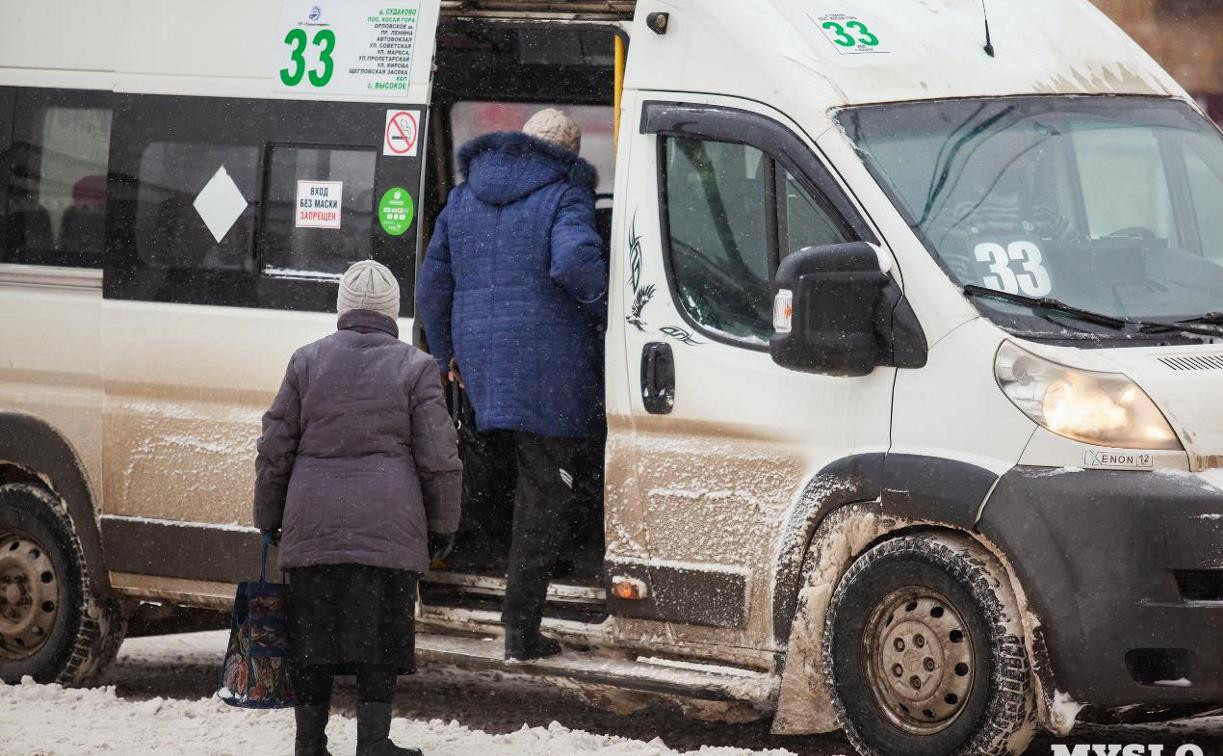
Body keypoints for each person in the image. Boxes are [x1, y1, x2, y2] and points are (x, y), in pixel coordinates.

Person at [417, 109, 607, 661]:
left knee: (491, 470)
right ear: (567, 154)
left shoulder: (463, 197)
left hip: (481, 363)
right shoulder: (566, 193)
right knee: (545, 490)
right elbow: (573, 262)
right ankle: (521, 629)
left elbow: (433, 284)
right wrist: (607, 311)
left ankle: (463, 558)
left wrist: (448, 355)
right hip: (550, 365)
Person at [254, 260, 462, 756]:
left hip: (315, 530)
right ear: (393, 312)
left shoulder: (306, 362)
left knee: (312, 641)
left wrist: (269, 516)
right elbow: (440, 458)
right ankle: (373, 742)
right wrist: (442, 526)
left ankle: (310, 744)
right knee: (382, 637)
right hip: (388, 531)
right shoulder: (415, 367)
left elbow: (274, 448)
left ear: (343, 308)